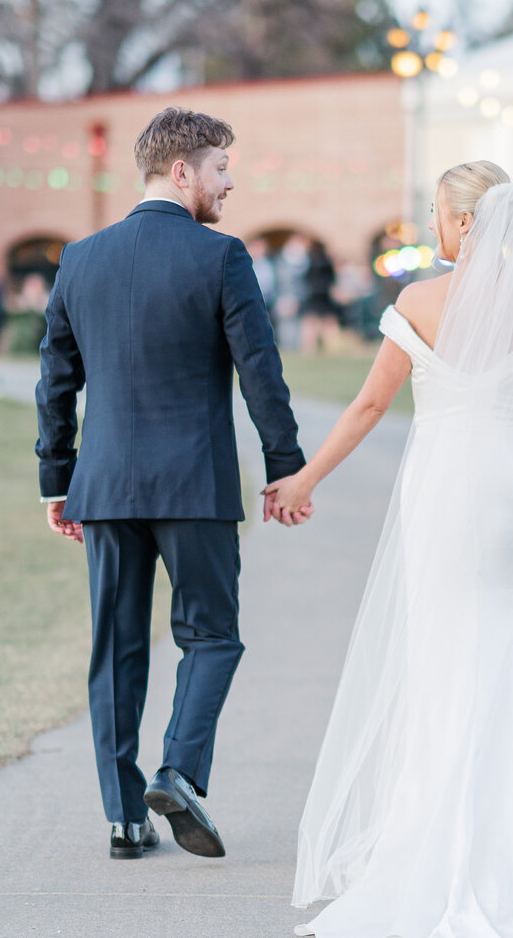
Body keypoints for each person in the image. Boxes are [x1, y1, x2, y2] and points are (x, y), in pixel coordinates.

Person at [267, 161, 513, 938]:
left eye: (438, 215)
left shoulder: (415, 302)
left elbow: (372, 403)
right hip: (511, 487)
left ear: (464, 223)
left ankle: (427, 837)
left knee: (440, 650)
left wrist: (305, 477)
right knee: (501, 652)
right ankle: (494, 849)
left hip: (443, 485)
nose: (432, 228)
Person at [35, 107, 310, 862]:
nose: (232, 180)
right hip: (196, 487)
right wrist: (284, 465)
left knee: (116, 649)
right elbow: (262, 374)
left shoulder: (80, 258)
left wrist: (56, 478)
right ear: (181, 171)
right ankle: (180, 772)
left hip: (106, 488)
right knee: (211, 636)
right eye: (223, 166)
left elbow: (55, 381)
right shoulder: (220, 258)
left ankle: (126, 819)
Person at [299, 237, 340, 354]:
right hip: (325, 295)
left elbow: (304, 279)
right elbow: (333, 279)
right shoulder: (327, 261)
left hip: (312, 295)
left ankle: (309, 349)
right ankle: (331, 348)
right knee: (328, 322)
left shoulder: (308, 260)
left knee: (310, 323)